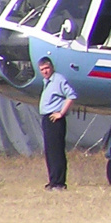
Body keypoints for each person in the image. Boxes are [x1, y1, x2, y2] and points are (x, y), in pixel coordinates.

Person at [38, 57, 76, 189]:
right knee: (50, 151)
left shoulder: (58, 79)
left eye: (47, 68)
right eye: (42, 69)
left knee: (57, 151)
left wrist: (61, 113)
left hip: (55, 119)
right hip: (47, 118)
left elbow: (71, 96)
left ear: (52, 67)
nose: (45, 71)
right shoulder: (46, 82)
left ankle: (59, 182)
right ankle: (53, 180)